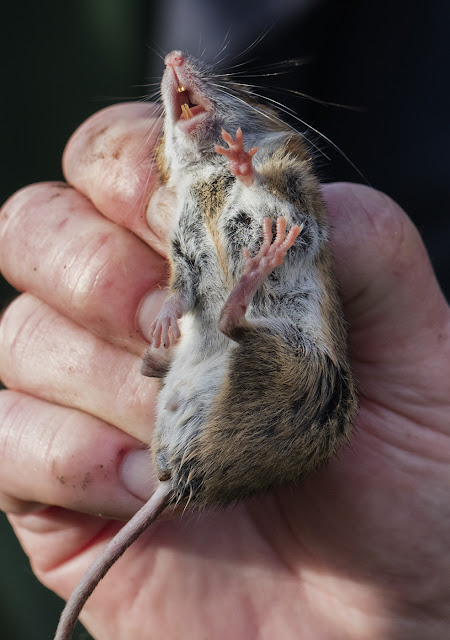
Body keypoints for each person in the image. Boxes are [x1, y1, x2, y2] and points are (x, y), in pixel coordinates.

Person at [0, 102, 448, 639]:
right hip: (210, 415)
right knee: (271, 354)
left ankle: (201, 343)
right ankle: (205, 340)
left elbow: (296, 228)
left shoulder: (286, 178)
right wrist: (169, 303)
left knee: (296, 371)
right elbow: (192, 267)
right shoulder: (190, 199)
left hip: (224, 403)